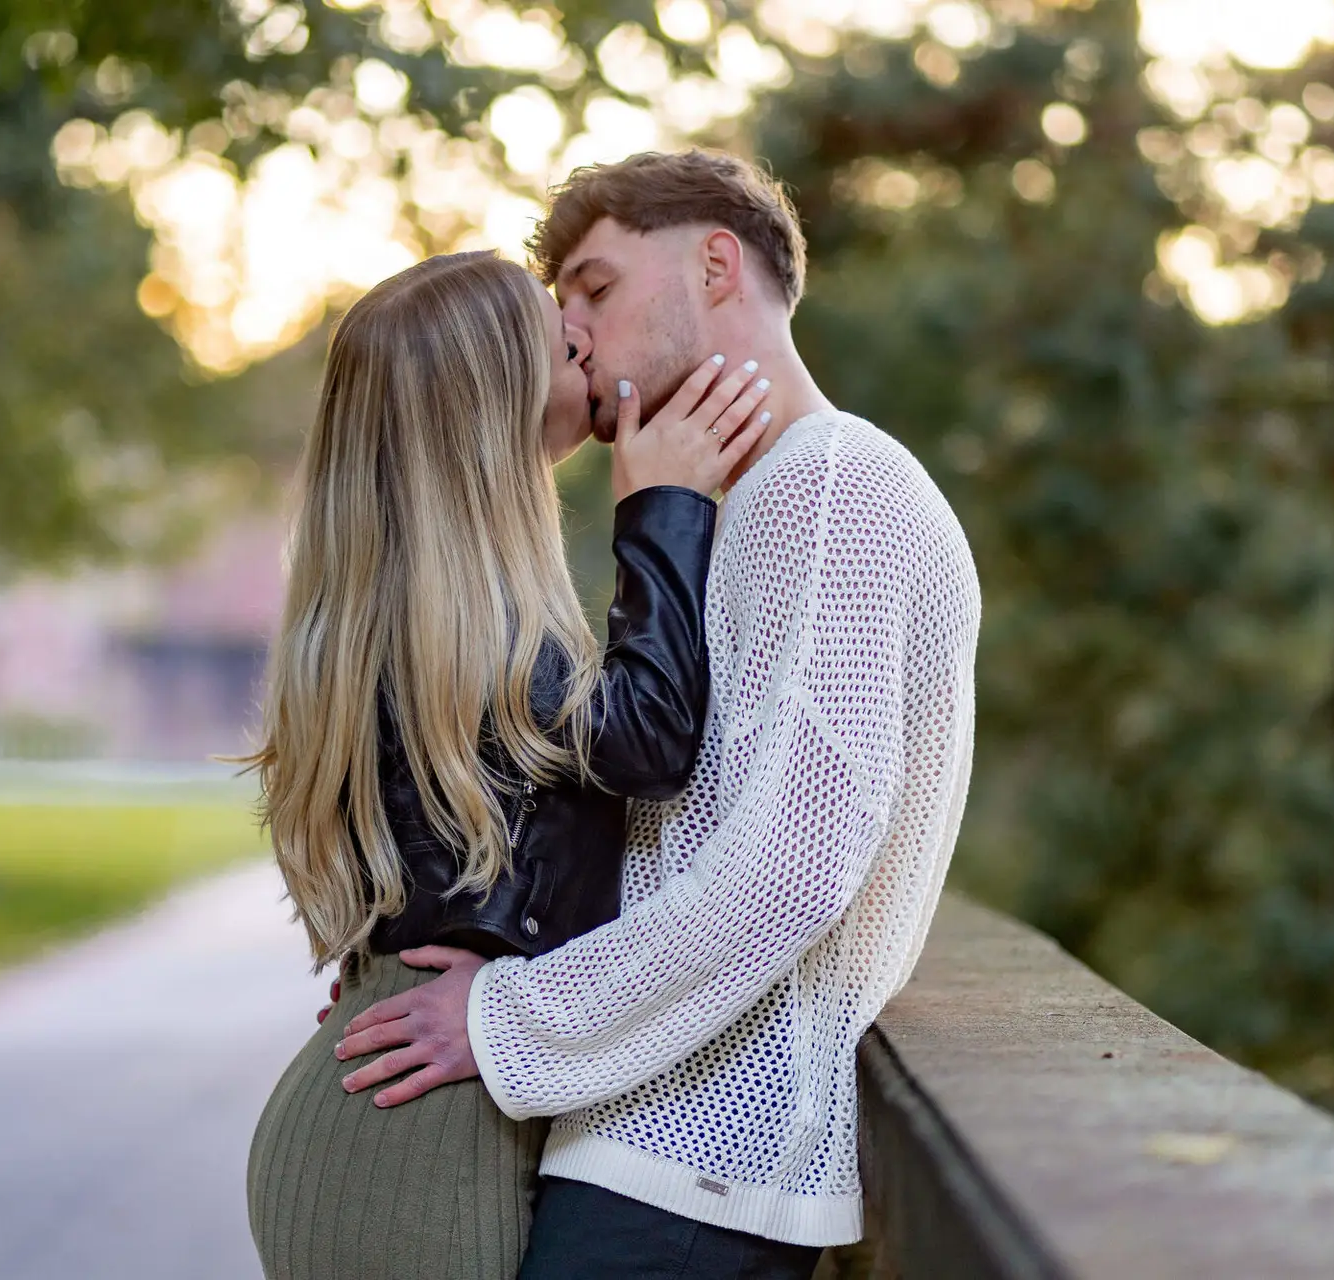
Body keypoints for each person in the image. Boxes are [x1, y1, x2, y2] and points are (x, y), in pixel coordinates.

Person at [330, 150, 982, 1278]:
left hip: (691, 1170)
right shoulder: (757, 503)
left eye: (596, 288)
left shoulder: (835, 486)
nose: (574, 334)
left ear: (716, 266)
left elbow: (793, 869)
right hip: (637, 1138)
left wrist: (508, 1017)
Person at [243, 248, 777, 1280]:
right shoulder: (473, 633)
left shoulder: (407, 614)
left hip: (395, 1116)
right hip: (409, 1151)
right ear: (492, 397)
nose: (582, 332)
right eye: (557, 324)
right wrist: (664, 506)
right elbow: (650, 740)